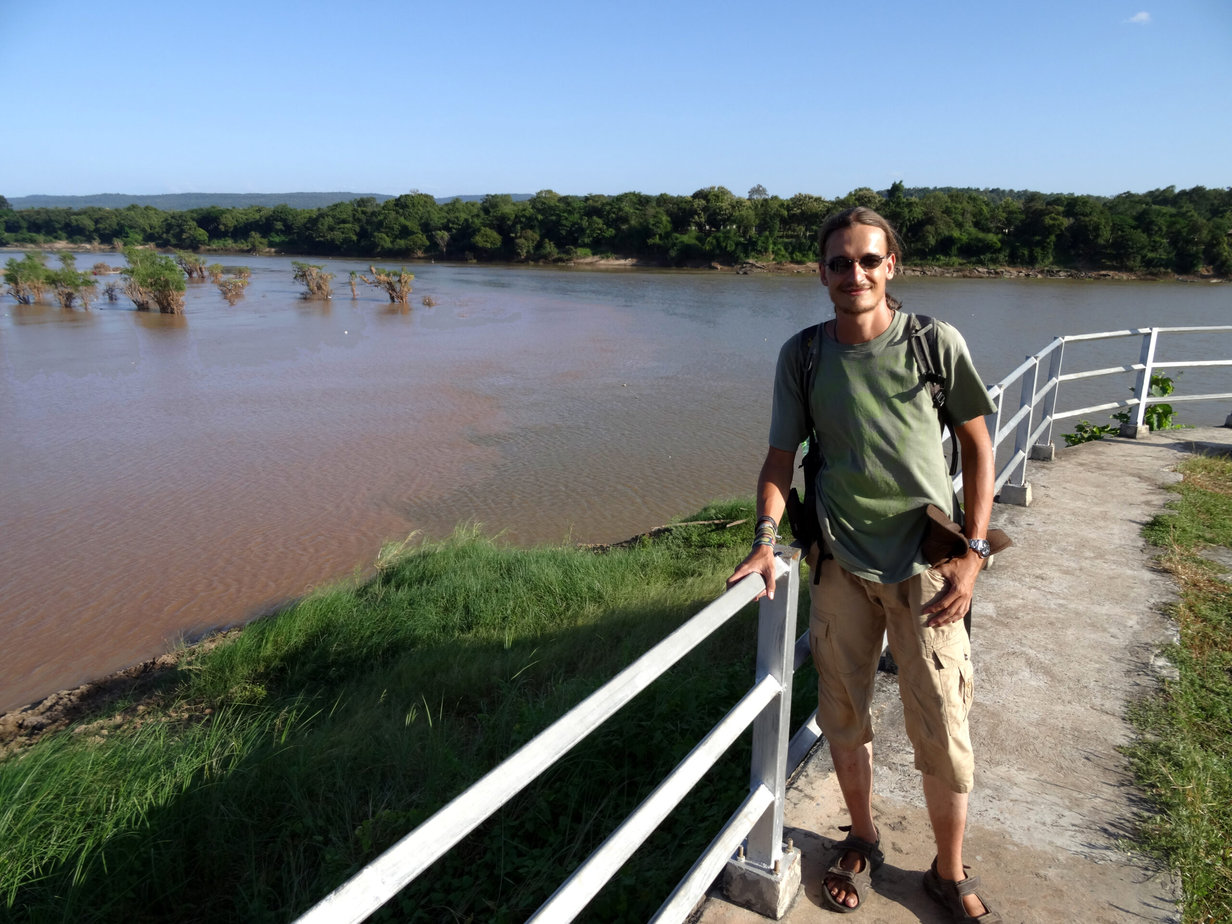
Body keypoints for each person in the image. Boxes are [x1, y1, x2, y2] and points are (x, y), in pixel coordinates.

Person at [727, 206, 1000, 922]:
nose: (856, 273)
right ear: (821, 273)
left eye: (869, 260)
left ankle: (946, 871)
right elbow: (781, 457)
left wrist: (972, 558)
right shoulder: (804, 355)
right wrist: (764, 538)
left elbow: (976, 447)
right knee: (842, 715)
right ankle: (864, 837)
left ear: (891, 267)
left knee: (942, 725)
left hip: (927, 570)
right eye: (841, 262)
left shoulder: (933, 343)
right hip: (840, 568)